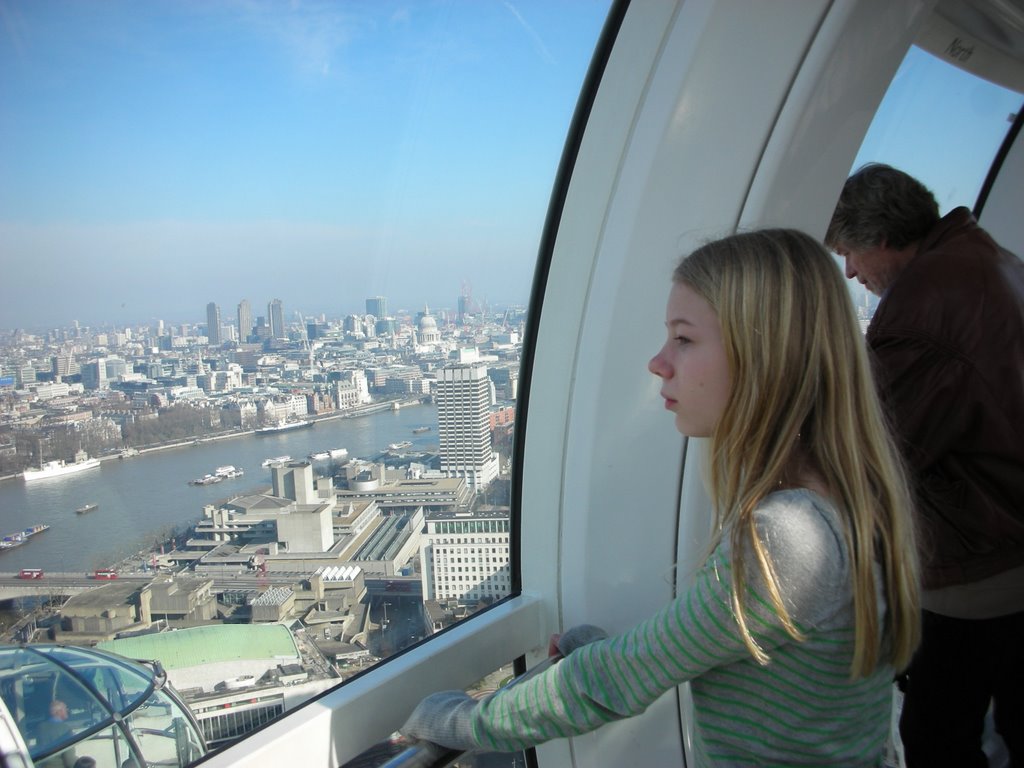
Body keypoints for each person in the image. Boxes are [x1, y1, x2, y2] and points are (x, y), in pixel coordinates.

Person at [401, 229, 921, 766]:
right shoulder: (846, 499)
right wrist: (601, 651)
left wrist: (457, 719)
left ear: (765, 356)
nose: (658, 362)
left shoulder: (788, 537)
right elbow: (702, 647)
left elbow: (617, 682)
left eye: (684, 339)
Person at [826, 163, 1024, 767]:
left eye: (851, 253)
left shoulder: (921, 313)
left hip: (983, 570)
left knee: (938, 733)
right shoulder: (985, 259)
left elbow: (875, 453)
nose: (851, 271)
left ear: (881, 237)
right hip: (1009, 540)